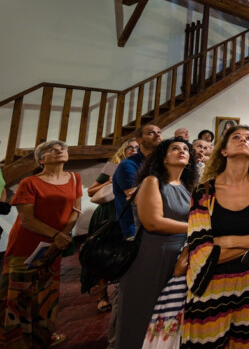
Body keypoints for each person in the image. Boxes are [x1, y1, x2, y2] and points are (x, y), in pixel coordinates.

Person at [181, 125, 249, 348]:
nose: (243, 140)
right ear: (224, 151)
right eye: (235, 137)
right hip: (213, 288)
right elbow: (202, 253)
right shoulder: (205, 192)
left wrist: (229, 241)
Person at [116, 137, 196, 349]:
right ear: (163, 157)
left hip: (178, 255)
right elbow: (153, 222)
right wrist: (196, 228)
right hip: (153, 255)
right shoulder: (152, 181)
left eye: (186, 149)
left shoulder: (187, 187)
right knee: (145, 313)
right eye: (175, 148)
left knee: (168, 318)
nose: (182, 151)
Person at [0, 140, 81, 348]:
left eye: (63, 148)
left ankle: (42, 338)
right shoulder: (30, 182)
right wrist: (57, 235)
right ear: (41, 159)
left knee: (46, 293)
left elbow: (76, 209)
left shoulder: (74, 178)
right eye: (51, 150)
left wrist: (62, 236)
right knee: (20, 295)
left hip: (53, 246)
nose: (59, 151)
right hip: (26, 245)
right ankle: (17, 343)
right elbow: (26, 219)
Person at [80, 139, 138, 313]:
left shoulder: (141, 166)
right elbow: (91, 191)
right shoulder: (113, 167)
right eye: (130, 147)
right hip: (109, 212)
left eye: (137, 147)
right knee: (104, 253)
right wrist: (111, 181)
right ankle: (102, 296)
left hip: (128, 212)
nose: (134, 150)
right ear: (123, 151)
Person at [113, 124, 163, 238]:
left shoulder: (161, 163)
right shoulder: (128, 165)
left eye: (159, 132)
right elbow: (137, 199)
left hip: (157, 223)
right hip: (134, 226)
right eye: (151, 132)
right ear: (139, 140)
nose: (157, 135)